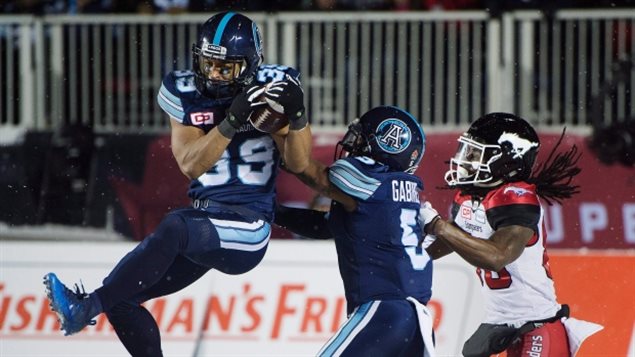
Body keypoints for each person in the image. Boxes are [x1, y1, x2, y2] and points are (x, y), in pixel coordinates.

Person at [43, 11, 312, 356]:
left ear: (249, 65)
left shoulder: (274, 84)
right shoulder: (182, 88)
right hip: (204, 222)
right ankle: (98, 304)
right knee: (122, 298)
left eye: (225, 67)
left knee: (174, 227)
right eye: (208, 63)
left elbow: (298, 164)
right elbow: (190, 164)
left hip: (248, 224)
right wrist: (232, 120)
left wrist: (298, 115)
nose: (213, 74)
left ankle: (85, 308)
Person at [418, 112, 603, 357]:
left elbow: (497, 256)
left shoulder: (516, 197)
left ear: (506, 161)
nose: (465, 160)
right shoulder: (470, 197)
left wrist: (438, 226)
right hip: (502, 324)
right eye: (467, 151)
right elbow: (446, 243)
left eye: (475, 153)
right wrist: (410, 244)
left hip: (538, 326)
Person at [275, 106, 436, 356]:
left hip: (384, 311)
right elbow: (327, 225)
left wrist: (280, 128)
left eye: (361, 137)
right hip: (416, 320)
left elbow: (311, 172)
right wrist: (275, 214)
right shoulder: (396, 192)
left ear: (386, 144)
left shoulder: (372, 180)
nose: (352, 143)